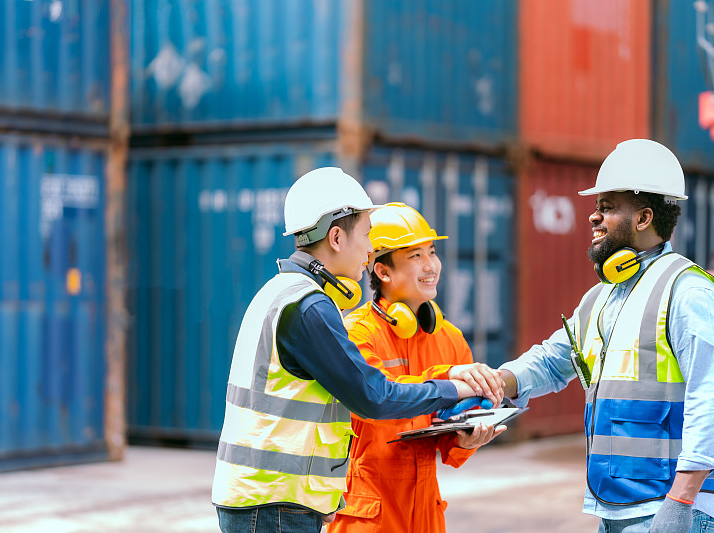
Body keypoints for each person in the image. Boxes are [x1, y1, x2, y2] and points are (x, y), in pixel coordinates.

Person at [211, 167, 503, 533]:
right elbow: (374, 397)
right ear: (336, 237)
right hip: (275, 502)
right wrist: (454, 385)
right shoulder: (309, 307)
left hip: (274, 499)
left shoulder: (282, 292)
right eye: (366, 236)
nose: (368, 250)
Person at [499, 139, 714, 533]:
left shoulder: (688, 291)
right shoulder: (602, 296)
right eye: (597, 208)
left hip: (674, 505)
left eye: (607, 207)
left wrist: (681, 502)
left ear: (644, 217)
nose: (594, 218)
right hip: (615, 505)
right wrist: (491, 382)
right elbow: (551, 361)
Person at [328, 203, 507, 533]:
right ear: (383, 272)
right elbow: (379, 399)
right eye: (415, 257)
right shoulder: (356, 333)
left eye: (432, 252)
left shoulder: (449, 338)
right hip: (367, 514)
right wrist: (445, 377)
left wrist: (467, 441)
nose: (431, 266)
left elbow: (449, 443)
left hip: (426, 513)